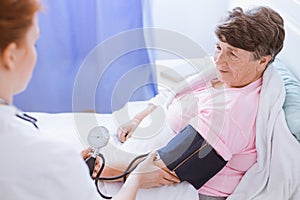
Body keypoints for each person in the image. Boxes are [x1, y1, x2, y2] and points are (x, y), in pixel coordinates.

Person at [116, 6, 285, 200]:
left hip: (192, 189)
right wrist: (138, 119)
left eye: (232, 54)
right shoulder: (230, 75)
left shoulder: (231, 113)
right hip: (149, 157)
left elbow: (167, 170)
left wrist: (100, 165)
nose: (218, 60)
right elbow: (172, 94)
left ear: (262, 61)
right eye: (218, 47)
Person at [0, 0, 164, 200]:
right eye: (34, 43)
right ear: (10, 57)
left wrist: (68, 170)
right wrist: (137, 176)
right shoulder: (50, 158)